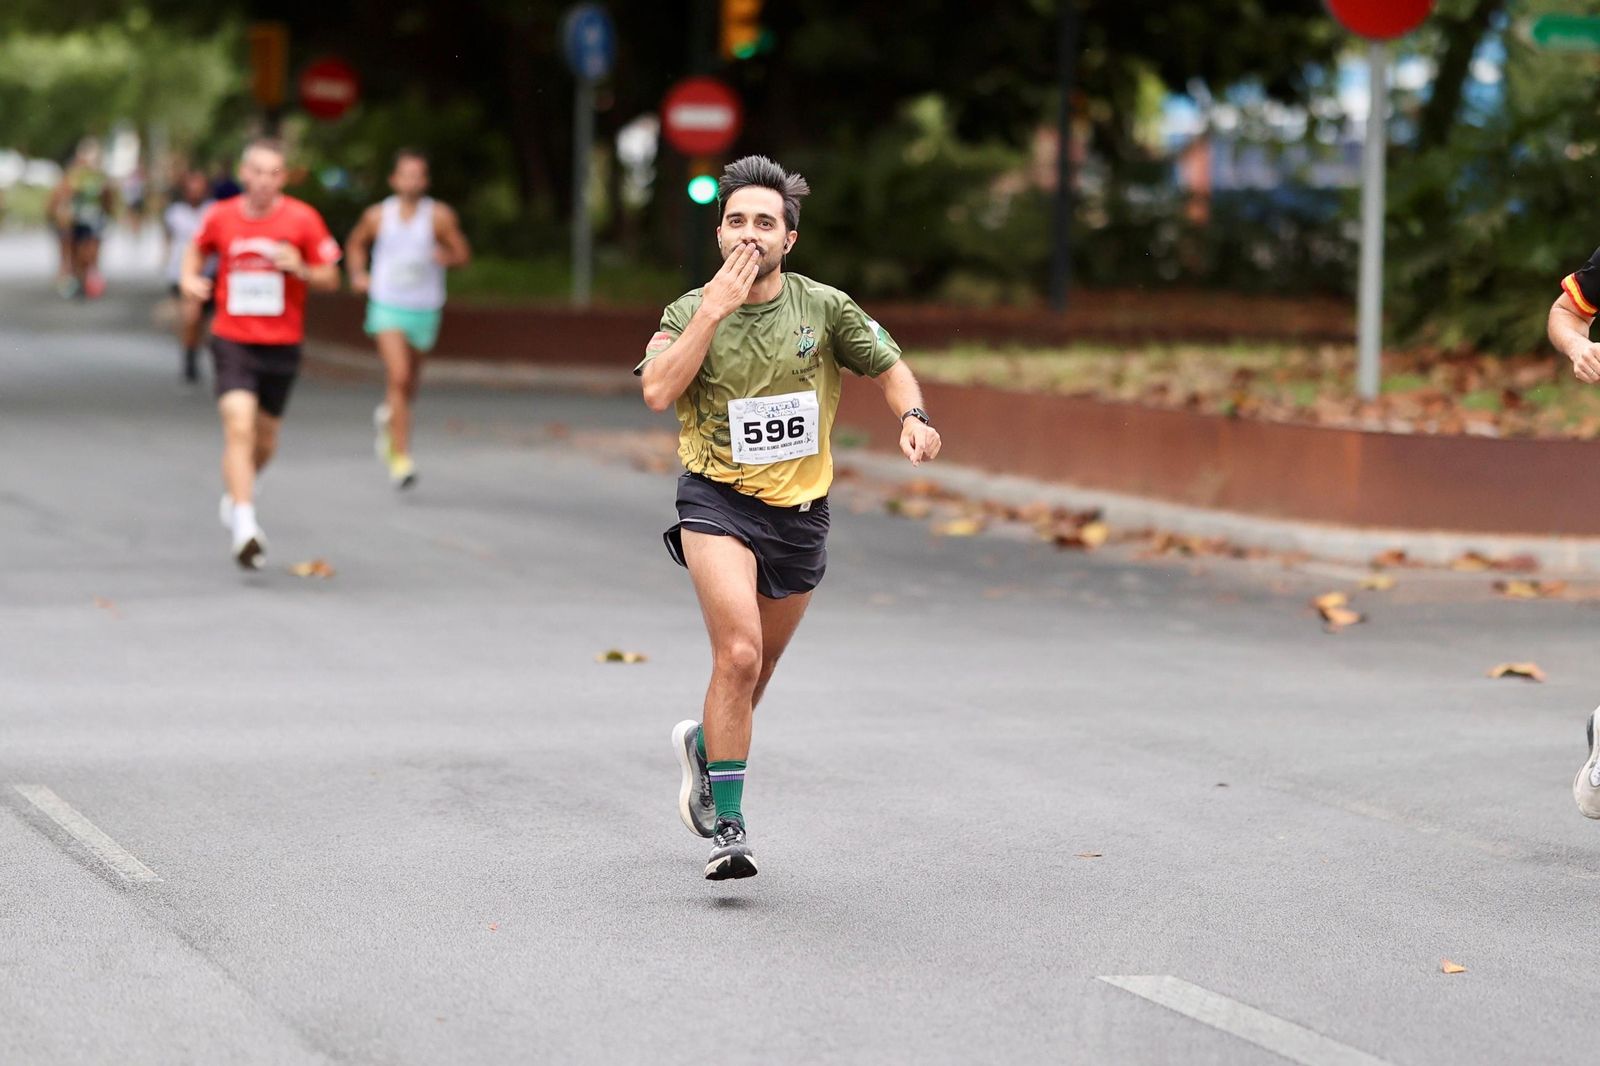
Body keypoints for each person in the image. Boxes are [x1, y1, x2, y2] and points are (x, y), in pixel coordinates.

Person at [635, 155, 942, 880]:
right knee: (736, 655)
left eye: (764, 223)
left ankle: (710, 753)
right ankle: (729, 828)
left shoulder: (824, 307)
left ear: (788, 240)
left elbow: (890, 365)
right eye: (736, 221)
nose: (749, 234)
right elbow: (656, 392)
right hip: (716, 499)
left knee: (757, 672)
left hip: (800, 515)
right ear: (719, 233)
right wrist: (712, 310)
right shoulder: (686, 311)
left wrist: (916, 417)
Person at [181, 139, 341, 569]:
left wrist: (303, 268)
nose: (266, 181)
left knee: (265, 440)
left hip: (282, 343)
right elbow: (197, 248)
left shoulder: (303, 219)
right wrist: (189, 279)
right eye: (258, 171)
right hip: (233, 337)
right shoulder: (221, 216)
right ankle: (245, 525)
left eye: (275, 173)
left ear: (283, 179)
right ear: (244, 173)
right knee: (239, 427)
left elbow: (332, 276)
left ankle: (239, 490)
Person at [343, 149, 472, 488]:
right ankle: (400, 457)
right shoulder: (376, 216)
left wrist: (447, 256)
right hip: (386, 304)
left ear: (425, 181)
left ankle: (389, 421)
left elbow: (463, 254)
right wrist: (358, 274)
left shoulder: (439, 216)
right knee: (398, 375)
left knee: (408, 385)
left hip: (425, 307)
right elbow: (355, 245)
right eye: (406, 174)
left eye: (418, 175)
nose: (412, 181)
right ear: (394, 180)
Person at [162, 169, 214, 383]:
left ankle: (201, 351)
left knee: (207, 321)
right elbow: (168, 240)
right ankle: (189, 359)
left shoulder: (214, 210)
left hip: (211, 272)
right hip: (182, 273)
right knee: (191, 317)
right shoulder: (175, 213)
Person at [55, 141, 114, 299]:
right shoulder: (73, 175)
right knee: (75, 252)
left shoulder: (100, 177)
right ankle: (78, 280)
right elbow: (63, 195)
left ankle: (90, 278)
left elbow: (107, 198)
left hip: (94, 219)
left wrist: (108, 213)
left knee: (90, 252)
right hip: (76, 219)